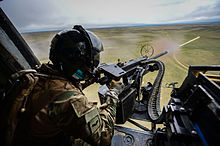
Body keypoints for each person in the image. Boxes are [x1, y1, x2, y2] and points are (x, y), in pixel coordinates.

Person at [12, 25, 123, 146]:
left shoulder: (40, 76)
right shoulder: (71, 100)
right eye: (93, 61)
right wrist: (113, 94)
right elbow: (102, 138)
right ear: (78, 61)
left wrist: (91, 77)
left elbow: (65, 86)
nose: (93, 65)